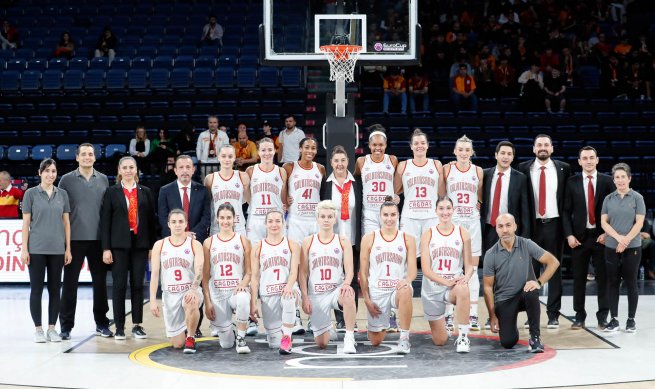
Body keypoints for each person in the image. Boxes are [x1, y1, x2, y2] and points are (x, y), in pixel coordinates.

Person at [483, 213, 559, 352]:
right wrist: (492, 316)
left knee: (532, 290)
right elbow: (487, 287)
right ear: (496, 229)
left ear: (515, 227)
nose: (505, 230)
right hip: (504, 300)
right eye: (500, 226)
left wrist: (539, 282)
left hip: (524, 294)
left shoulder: (526, 243)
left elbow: (553, 262)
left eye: (508, 225)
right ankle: (510, 325)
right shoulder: (490, 254)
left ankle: (535, 338)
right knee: (508, 342)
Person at [58, 144, 112, 340]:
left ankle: (101, 323)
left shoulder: (104, 179)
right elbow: (61, 211)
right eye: (84, 154)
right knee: (70, 284)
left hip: (98, 240)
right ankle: (65, 326)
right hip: (74, 240)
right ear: (77, 158)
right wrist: (65, 243)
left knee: (100, 285)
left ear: (95, 158)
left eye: (91, 154)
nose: (87, 157)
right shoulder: (66, 180)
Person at [100, 156, 157, 340]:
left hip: (140, 245)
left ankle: (137, 325)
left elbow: (151, 221)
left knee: (138, 285)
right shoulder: (111, 192)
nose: (128, 170)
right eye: (124, 167)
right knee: (119, 286)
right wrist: (106, 248)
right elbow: (105, 222)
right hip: (118, 246)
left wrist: (151, 247)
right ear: (119, 170)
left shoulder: (146, 191)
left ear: (136, 169)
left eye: (131, 167)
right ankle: (119, 328)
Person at [518, 134, 571, 329]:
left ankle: (553, 314)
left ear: (552, 148)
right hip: (531, 225)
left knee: (554, 269)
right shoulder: (523, 168)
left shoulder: (564, 168)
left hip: (554, 225)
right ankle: (531, 312)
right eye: (539, 145)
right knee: (529, 270)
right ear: (533, 149)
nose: (543, 148)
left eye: (546, 145)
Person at [562, 146, 614, 330]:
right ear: (579, 161)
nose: (589, 161)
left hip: (602, 237)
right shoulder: (571, 182)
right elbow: (566, 212)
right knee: (579, 279)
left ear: (597, 160)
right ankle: (579, 316)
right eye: (585, 158)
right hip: (579, 238)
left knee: (603, 278)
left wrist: (608, 233)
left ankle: (603, 317)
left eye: (592, 157)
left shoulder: (608, 181)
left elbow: (614, 210)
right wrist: (569, 235)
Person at [21, 159, 71, 343]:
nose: (51, 175)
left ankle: (52, 328)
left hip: (57, 249)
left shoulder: (62, 194)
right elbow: (26, 223)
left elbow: (66, 223)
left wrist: (68, 248)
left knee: (55, 290)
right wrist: (24, 249)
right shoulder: (31, 194)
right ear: (40, 173)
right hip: (36, 249)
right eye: (47, 171)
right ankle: (38, 329)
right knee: (36, 289)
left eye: (53, 171)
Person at [359, 197, 417, 354]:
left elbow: (412, 270)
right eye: (386, 215)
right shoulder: (369, 238)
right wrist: (367, 299)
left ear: (398, 215)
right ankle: (385, 319)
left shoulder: (408, 239)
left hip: (396, 290)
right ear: (380, 216)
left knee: (405, 290)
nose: (389, 219)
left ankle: (404, 338)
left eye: (393, 215)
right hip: (377, 290)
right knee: (376, 341)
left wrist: (407, 280)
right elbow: (363, 273)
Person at [299, 200, 357, 353]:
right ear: (317, 219)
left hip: (336, 291)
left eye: (329, 217)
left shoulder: (342, 240)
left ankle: (349, 338)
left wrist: (346, 284)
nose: (326, 220)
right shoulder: (308, 241)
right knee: (322, 344)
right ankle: (328, 328)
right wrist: (305, 297)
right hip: (316, 294)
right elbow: (303, 273)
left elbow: (350, 270)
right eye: (323, 216)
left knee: (349, 294)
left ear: (335, 219)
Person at [420, 196, 473, 353]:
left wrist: (465, 277)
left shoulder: (463, 232)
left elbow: (469, 266)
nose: (445, 212)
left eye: (448, 208)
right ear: (435, 211)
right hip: (432, 289)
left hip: (453, 287)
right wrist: (446, 282)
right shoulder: (428, 234)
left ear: (453, 210)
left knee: (463, 289)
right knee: (440, 341)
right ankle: (445, 322)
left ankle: (463, 337)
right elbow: (426, 269)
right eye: (441, 208)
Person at [444, 135, 484, 331]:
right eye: (460, 149)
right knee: (451, 267)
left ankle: (473, 313)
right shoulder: (447, 169)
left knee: (473, 270)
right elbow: (441, 196)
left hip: (472, 224)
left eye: (467, 150)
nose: (463, 153)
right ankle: (448, 315)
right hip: (453, 225)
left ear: (472, 152)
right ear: (454, 151)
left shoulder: (478, 171)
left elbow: (480, 198)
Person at [149, 210, 204, 353]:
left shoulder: (194, 244)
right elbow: (155, 274)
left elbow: (199, 270)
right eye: (174, 222)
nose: (177, 225)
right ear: (168, 224)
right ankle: (185, 329)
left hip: (189, 289)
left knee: (192, 301)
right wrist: (153, 300)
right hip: (170, 294)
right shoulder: (159, 245)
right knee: (177, 344)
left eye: (180, 221)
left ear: (186, 224)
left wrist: (193, 289)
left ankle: (191, 337)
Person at [321, 145, 362, 331]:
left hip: (352, 239)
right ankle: (338, 319)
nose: (339, 164)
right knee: (336, 279)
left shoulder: (356, 183)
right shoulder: (326, 184)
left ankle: (350, 320)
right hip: (333, 241)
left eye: (343, 160)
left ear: (348, 162)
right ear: (331, 163)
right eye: (336, 161)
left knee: (351, 280)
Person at [601, 163, 646, 333]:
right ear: (613, 180)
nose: (620, 180)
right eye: (617, 177)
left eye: (623, 177)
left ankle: (631, 320)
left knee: (631, 282)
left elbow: (639, 222)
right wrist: (618, 238)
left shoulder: (637, 198)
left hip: (632, 246)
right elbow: (604, 222)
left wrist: (625, 241)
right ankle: (614, 319)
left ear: (629, 178)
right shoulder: (608, 199)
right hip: (612, 246)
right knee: (612, 282)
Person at [203, 203, 252, 353]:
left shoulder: (243, 240)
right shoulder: (209, 242)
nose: (225, 221)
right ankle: (230, 328)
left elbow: (249, 272)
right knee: (226, 344)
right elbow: (205, 277)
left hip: (235, 291)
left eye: (228, 218)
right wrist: (207, 302)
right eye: (222, 218)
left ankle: (241, 337)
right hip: (217, 293)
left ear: (234, 219)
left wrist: (243, 283)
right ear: (217, 219)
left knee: (243, 298)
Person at [250, 210, 301, 354]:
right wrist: (253, 302)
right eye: (270, 221)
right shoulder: (258, 247)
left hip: (287, 290)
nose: (274, 224)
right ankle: (279, 334)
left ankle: (287, 337)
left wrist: (289, 286)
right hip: (268, 295)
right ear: (265, 224)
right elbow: (254, 277)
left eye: (278, 221)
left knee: (289, 297)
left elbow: (293, 272)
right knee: (273, 343)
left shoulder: (292, 245)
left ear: (283, 223)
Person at [394, 128, 444, 259]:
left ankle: (433, 280)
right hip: (409, 217)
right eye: (416, 143)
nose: (419, 146)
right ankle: (407, 280)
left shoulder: (436, 164)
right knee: (406, 255)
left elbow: (442, 193)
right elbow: (396, 191)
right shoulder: (403, 165)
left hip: (431, 216)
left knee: (434, 255)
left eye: (422, 143)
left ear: (427, 145)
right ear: (411, 146)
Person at [481, 141, 531, 249]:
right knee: (488, 264)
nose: (505, 157)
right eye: (502, 153)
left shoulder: (520, 178)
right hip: (487, 229)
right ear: (496, 155)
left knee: (508, 264)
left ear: (513, 157)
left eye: (509, 154)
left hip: (509, 230)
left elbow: (525, 210)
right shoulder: (484, 174)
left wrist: (525, 236)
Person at [354, 125, 399, 237]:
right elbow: (356, 178)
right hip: (369, 212)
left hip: (389, 211)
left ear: (386, 145)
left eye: (381, 145)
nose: (377, 148)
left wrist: (397, 194)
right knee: (371, 245)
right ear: (369, 145)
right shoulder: (361, 161)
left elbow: (399, 180)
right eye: (374, 145)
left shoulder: (392, 160)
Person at [158, 154, 211, 242]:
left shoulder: (203, 190)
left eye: (188, 167)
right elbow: (163, 218)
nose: (185, 171)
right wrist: (181, 234)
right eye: (181, 167)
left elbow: (206, 217)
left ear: (193, 170)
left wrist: (192, 234)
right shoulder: (165, 191)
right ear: (175, 171)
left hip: (197, 239)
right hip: (173, 240)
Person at [284, 137, 326, 243]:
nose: (310, 151)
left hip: (314, 219)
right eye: (306, 147)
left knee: (314, 255)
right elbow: (281, 188)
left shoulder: (320, 168)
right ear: (300, 149)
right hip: (295, 219)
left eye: (313, 148)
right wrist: (284, 199)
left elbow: (323, 193)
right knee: (296, 254)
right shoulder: (289, 167)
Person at [245, 138, 287, 243]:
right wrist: (254, 204)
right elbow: (247, 195)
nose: (267, 153)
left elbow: (283, 196)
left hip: (276, 218)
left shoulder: (281, 171)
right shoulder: (250, 171)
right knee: (254, 253)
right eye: (263, 150)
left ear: (274, 151)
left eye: (270, 149)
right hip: (256, 217)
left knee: (278, 253)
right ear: (258, 152)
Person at [205, 145, 250, 236]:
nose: (227, 159)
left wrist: (246, 187)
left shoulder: (242, 176)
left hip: (238, 226)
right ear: (218, 157)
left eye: (230, 156)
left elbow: (249, 201)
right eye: (224, 156)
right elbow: (207, 205)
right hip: (217, 227)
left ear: (234, 158)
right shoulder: (210, 178)